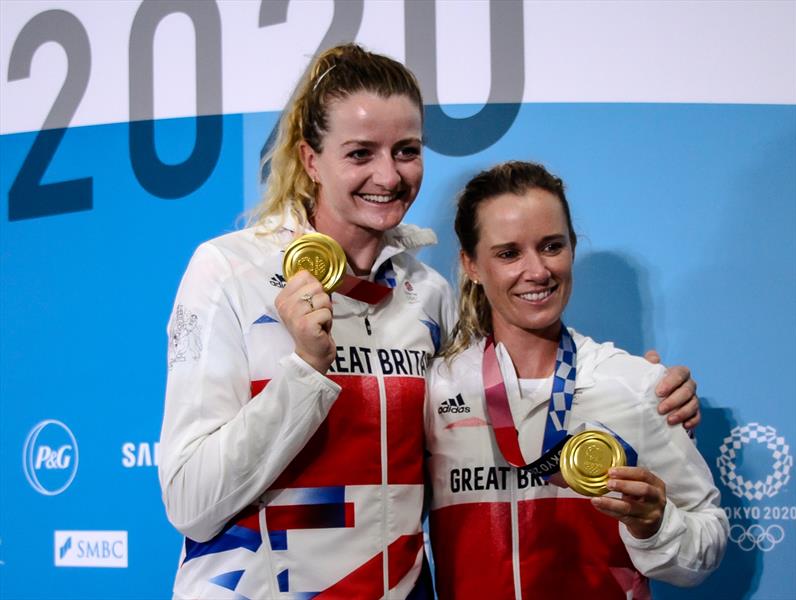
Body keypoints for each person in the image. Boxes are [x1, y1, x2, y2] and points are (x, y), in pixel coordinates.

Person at [158, 44, 701, 599]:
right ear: (311, 158)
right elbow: (190, 503)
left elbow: (514, 383)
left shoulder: (428, 295)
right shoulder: (230, 272)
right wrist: (303, 374)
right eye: (360, 153)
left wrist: (647, 396)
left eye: (407, 150)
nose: (388, 175)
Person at [424, 161, 728, 600]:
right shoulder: (437, 390)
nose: (537, 271)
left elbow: (709, 537)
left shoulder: (635, 384)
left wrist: (656, 524)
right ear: (471, 264)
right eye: (509, 253)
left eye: (551, 246)